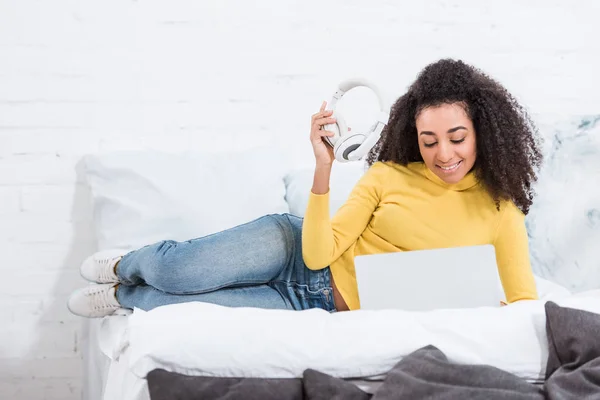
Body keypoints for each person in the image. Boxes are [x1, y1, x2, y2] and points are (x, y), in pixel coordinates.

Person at [67, 58, 542, 318]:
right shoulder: (389, 176)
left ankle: (122, 297)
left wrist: (482, 305)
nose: (444, 154)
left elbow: (523, 305)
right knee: (176, 274)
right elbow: (318, 256)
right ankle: (126, 262)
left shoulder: (501, 212)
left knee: (171, 306)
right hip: (295, 248)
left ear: (482, 130)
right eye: (429, 140)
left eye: (457, 138)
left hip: (311, 304)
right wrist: (323, 168)